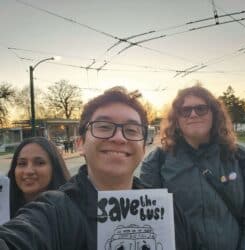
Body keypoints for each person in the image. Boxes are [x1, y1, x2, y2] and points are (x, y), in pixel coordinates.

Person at [0, 87, 191, 250]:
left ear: (143, 147)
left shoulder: (169, 210)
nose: (119, 138)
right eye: (104, 127)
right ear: (80, 144)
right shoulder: (56, 211)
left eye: (132, 130)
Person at [140, 84, 245, 250]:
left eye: (201, 109)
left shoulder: (240, 157)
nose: (193, 114)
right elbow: (151, 223)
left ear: (214, 114)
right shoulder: (157, 161)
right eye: (185, 110)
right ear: (176, 119)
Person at [7, 137, 71, 218]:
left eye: (39, 163)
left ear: (55, 168)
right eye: (22, 163)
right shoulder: (4, 209)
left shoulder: (70, 213)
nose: (28, 171)